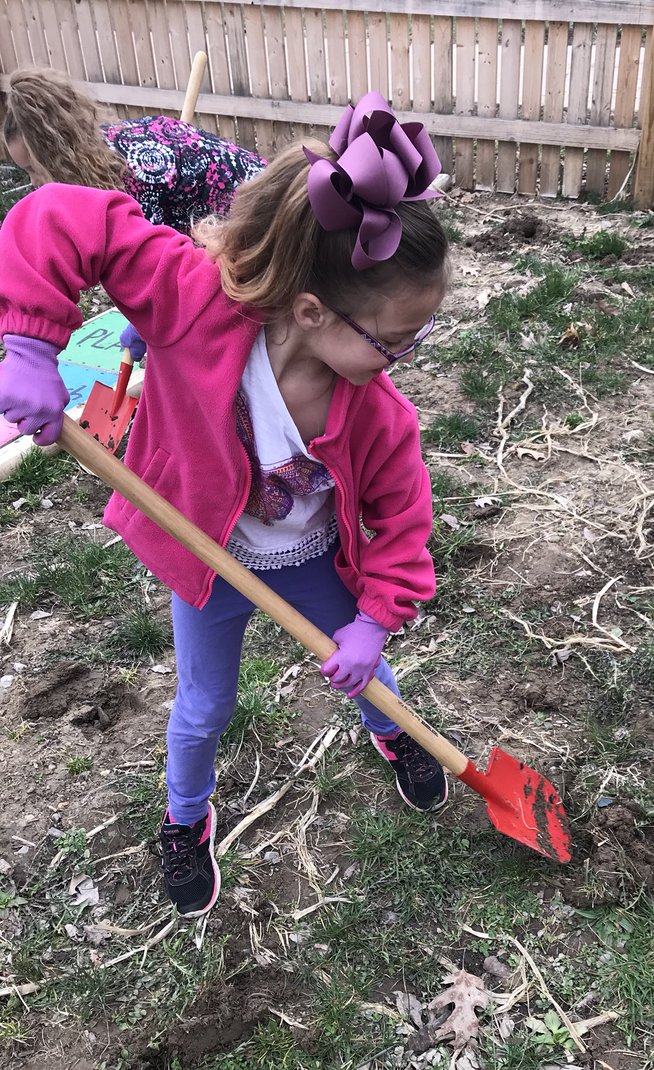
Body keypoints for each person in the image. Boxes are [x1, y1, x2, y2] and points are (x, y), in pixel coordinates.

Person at [0, 92, 450, 920]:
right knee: (204, 705)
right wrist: (30, 340)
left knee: (367, 674)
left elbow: (405, 524)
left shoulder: (380, 413)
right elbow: (62, 213)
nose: (402, 359)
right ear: (313, 313)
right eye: (394, 341)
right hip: (211, 559)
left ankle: (395, 731)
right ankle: (183, 816)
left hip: (310, 559)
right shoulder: (191, 302)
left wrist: (375, 619)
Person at [3, 65, 266, 359]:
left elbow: (168, 277)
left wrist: (154, 324)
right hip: (226, 220)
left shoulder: (132, 175)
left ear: (54, 154)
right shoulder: (105, 149)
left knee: (226, 329)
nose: (32, 182)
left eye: (32, 169)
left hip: (261, 225)